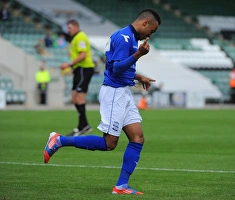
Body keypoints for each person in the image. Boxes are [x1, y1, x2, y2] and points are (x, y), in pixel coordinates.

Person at [43, 9, 161, 195]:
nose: (150, 35)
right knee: (109, 143)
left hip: (123, 92)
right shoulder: (124, 38)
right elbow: (115, 69)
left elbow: (122, 67)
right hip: (114, 93)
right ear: (145, 23)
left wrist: (139, 77)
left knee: (137, 137)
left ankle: (121, 186)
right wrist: (138, 54)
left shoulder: (129, 37)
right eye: (151, 31)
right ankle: (59, 140)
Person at [59, 19, 95, 136]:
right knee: (74, 98)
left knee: (79, 97)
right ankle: (84, 125)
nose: (68, 30)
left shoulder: (80, 37)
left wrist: (69, 64)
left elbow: (83, 55)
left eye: (69, 28)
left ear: (76, 26)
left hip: (85, 69)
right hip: (79, 70)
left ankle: (83, 126)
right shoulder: (76, 38)